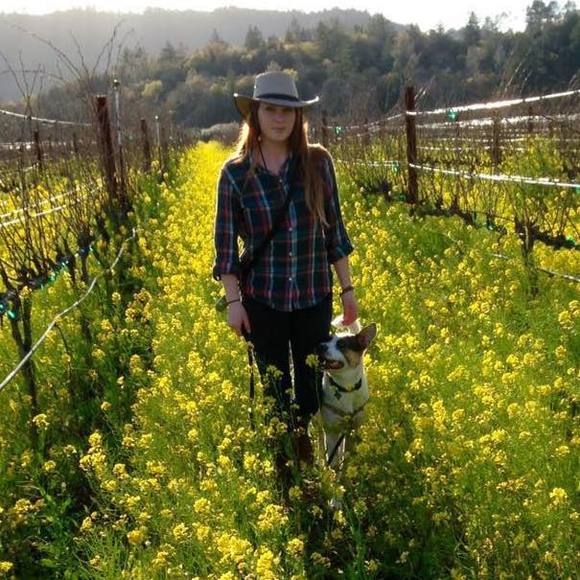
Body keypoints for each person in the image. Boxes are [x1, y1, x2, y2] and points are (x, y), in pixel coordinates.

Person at [212, 70, 357, 498]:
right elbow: (225, 249)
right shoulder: (235, 174)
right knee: (276, 389)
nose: (280, 118)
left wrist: (347, 290)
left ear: (298, 117)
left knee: (310, 388)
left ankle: (308, 461)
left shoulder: (318, 163)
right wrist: (233, 303)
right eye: (271, 110)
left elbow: (335, 233)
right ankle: (286, 474)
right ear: (255, 114)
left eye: (288, 111)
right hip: (264, 301)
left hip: (314, 296)